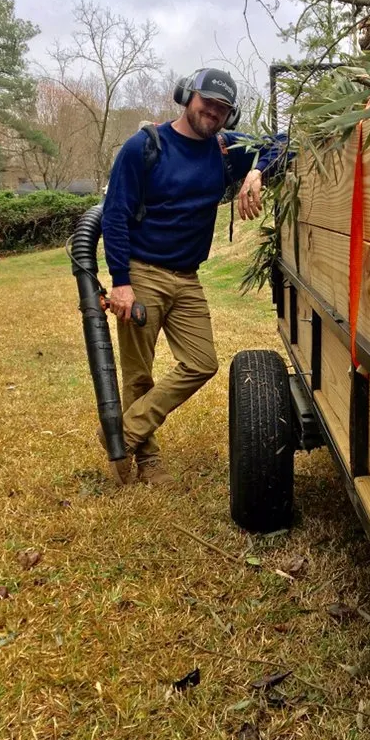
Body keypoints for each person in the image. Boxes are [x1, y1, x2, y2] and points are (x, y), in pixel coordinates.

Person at [100, 67, 287, 486]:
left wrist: (257, 171)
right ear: (187, 97)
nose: (214, 113)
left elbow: (283, 144)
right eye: (208, 103)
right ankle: (146, 461)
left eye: (223, 109)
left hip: (187, 278)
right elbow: (114, 217)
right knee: (139, 374)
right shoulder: (144, 147)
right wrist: (121, 282)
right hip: (142, 273)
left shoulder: (225, 149)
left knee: (202, 363)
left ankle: (124, 432)